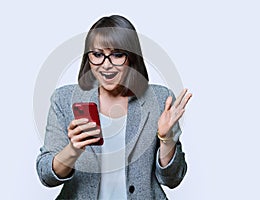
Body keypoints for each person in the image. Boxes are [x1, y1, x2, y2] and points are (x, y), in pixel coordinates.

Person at [36, 15, 192, 199]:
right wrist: (73, 150)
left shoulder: (159, 99)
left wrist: (167, 139)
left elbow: (173, 179)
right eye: (97, 55)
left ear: (132, 57)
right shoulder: (63, 100)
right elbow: (46, 175)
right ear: (88, 57)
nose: (106, 65)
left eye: (117, 55)